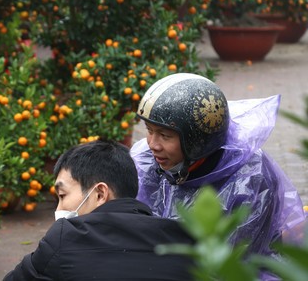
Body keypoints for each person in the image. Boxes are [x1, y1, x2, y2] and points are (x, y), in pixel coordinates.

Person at [131, 73, 306, 260]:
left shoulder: (250, 177)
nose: (152, 144)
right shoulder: (145, 159)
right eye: (149, 130)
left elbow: (235, 261)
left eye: (165, 136)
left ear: (197, 140)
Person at [3, 139, 196, 281]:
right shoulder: (182, 240)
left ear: (100, 194)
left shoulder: (65, 238)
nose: (59, 208)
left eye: (62, 195)